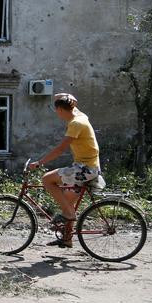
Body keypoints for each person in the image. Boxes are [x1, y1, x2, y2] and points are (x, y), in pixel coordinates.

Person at [29, 93, 102, 248]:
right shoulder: (80, 115)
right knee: (67, 202)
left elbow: (61, 149)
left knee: (47, 179)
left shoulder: (76, 123)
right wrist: (66, 97)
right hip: (89, 167)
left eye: (56, 110)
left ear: (61, 110)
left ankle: (69, 214)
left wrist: (40, 162)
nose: (56, 113)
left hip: (85, 169)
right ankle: (67, 239)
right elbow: (61, 97)